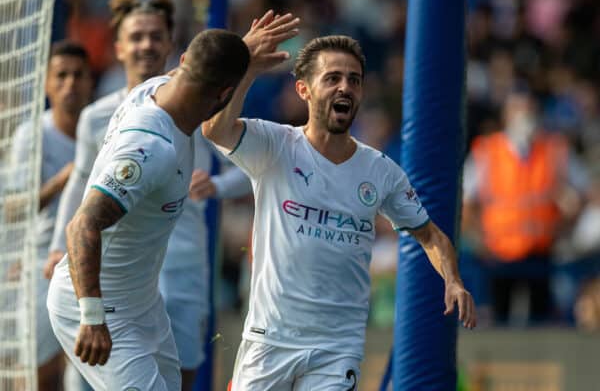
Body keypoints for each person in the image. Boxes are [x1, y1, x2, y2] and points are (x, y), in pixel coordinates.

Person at [202, 25, 477, 389]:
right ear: (304, 89)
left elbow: (430, 235)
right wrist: (249, 68)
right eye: (332, 78)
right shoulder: (275, 144)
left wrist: (454, 281)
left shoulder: (380, 171)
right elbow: (214, 129)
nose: (345, 87)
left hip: (337, 347)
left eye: (354, 80)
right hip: (270, 338)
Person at [46, 14, 299, 390]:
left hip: (142, 302)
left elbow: (210, 70)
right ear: (223, 95)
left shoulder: (156, 87)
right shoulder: (151, 147)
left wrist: (242, 54)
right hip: (99, 304)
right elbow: (82, 224)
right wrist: (92, 316)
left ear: (182, 62)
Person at [462, 89, 588, 324]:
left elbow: (583, 192)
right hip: (498, 256)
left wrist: (565, 228)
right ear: (506, 115)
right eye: (518, 109)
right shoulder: (488, 151)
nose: (525, 115)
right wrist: (478, 239)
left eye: (529, 109)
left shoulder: (554, 149)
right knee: (499, 322)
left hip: (540, 253)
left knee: (541, 322)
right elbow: (468, 202)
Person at [10, 40, 93, 391]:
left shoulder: (104, 128)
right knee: (40, 372)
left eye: (78, 75)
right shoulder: (32, 135)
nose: (70, 84)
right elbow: (15, 206)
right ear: (46, 83)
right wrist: (67, 177)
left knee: (88, 368)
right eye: (61, 76)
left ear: (90, 81)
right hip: (44, 261)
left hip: (94, 262)